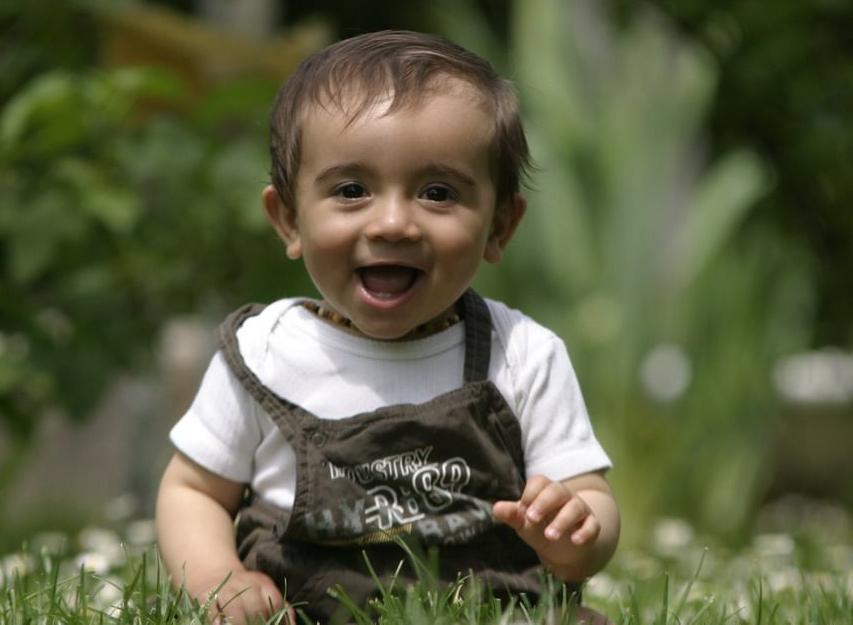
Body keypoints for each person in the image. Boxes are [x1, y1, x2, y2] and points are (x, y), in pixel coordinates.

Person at [155, 30, 620, 623]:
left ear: (499, 226)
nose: (394, 223)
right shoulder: (265, 354)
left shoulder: (523, 355)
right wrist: (218, 579)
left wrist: (576, 532)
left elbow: (590, 496)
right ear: (289, 220)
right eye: (352, 191)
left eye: (437, 193)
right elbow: (193, 491)